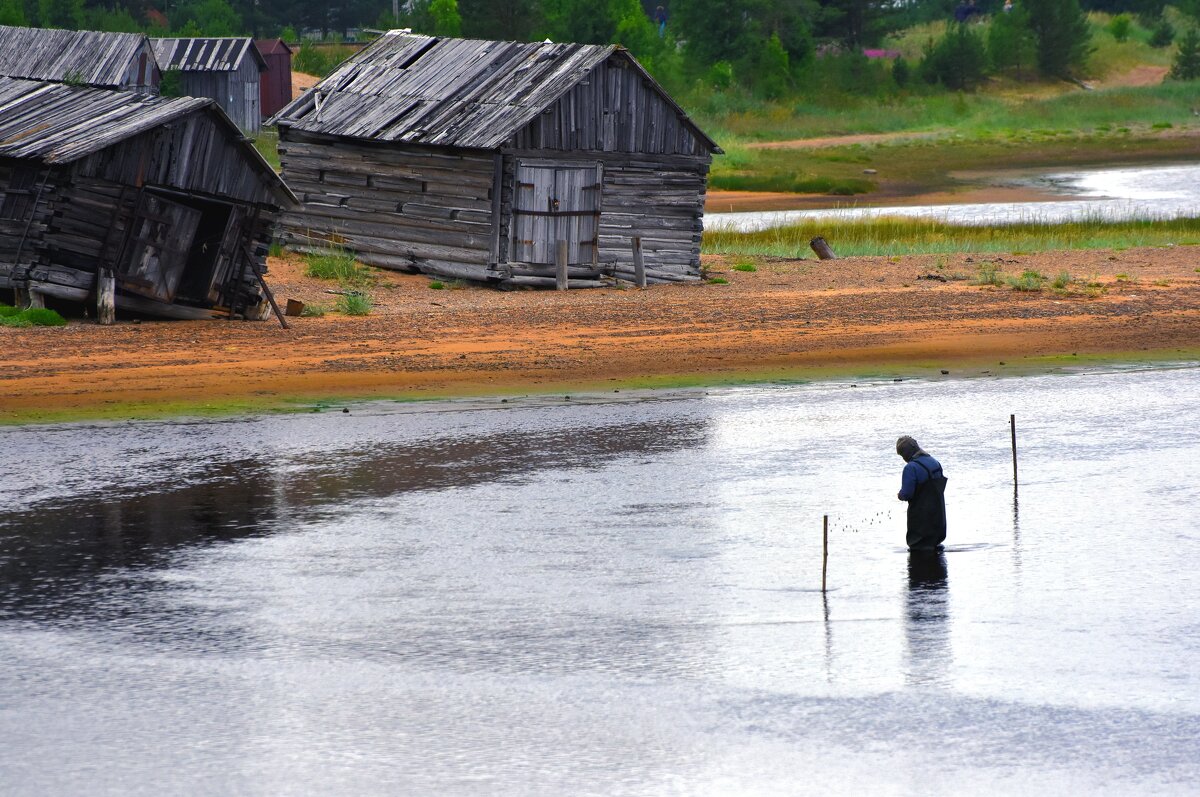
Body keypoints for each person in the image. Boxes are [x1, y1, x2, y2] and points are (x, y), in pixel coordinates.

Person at [895, 435, 947, 551]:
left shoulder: (911, 468)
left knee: (918, 548)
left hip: (921, 522)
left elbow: (907, 494)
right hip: (938, 519)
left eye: (902, 454)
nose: (903, 458)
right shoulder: (935, 462)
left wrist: (899, 495)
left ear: (906, 453)